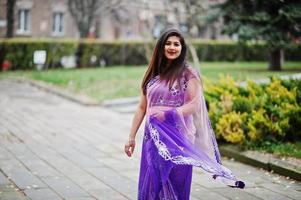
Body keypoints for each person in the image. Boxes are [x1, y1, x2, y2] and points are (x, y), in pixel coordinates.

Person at [124, 28, 245, 200]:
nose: (172, 47)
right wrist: (131, 137)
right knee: (152, 182)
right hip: (152, 139)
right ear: (161, 46)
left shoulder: (188, 73)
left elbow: (194, 104)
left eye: (176, 44)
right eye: (168, 43)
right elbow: (142, 107)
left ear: (182, 48)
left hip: (179, 138)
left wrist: (168, 114)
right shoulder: (153, 74)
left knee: (176, 183)